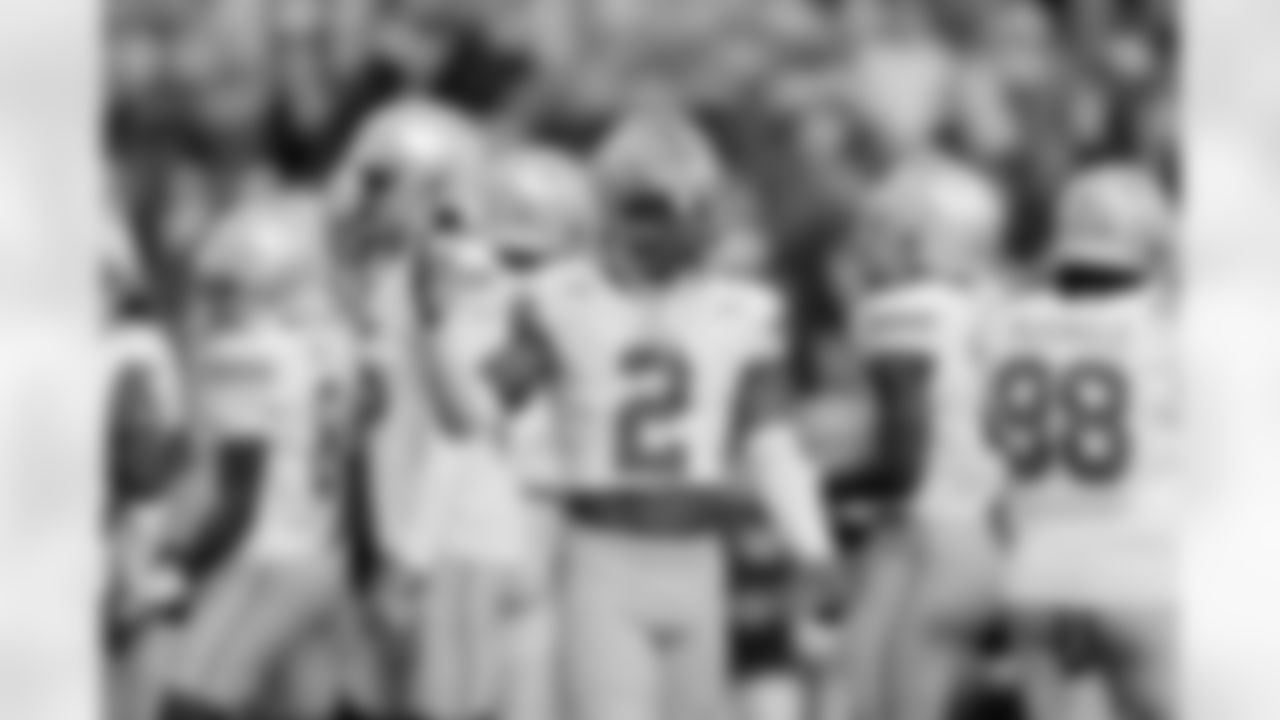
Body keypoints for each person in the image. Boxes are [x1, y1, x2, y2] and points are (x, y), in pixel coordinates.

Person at [465, 98, 836, 720]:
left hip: (699, 558)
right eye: (644, 210)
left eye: (670, 211)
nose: (659, 233)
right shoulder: (559, 298)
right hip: (601, 555)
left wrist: (813, 545)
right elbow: (482, 415)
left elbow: (769, 442)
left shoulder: (741, 310)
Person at [154, 190, 372, 720]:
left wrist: (180, 567)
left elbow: (240, 496)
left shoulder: (247, 353)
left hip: (265, 558)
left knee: (190, 700)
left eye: (228, 290)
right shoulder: (335, 344)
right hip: (324, 555)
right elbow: (354, 466)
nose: (215, 304)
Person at [817, 153, 1012, 720]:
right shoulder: (992, 306)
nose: (870, 244)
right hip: (984, 535)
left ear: (914, 236)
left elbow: (903, 459)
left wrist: (821, 485)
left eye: (883, 229)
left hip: (928, 540)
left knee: (867, 701)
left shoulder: (900, 312)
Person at [984, 164, 1178, 720]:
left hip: (1037, 568)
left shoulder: (1002, 325)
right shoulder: (1167, 332)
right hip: (1141, 565)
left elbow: (990, 469)